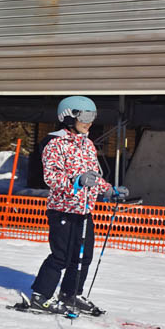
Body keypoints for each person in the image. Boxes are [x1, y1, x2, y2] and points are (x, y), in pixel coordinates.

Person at [24, 96, 128, 316]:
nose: (90, 121)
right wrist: (76, 181)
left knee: (83, 256)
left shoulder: (88, 144)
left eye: (93, 116)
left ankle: (70, 293)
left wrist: (109, 189)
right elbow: (51, 178)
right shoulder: (55, 144)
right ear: (68, 116)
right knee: (61, 256)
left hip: (84, 210)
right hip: (62, 209)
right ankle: (40, 296)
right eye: (85, 116)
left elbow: (93, 177)